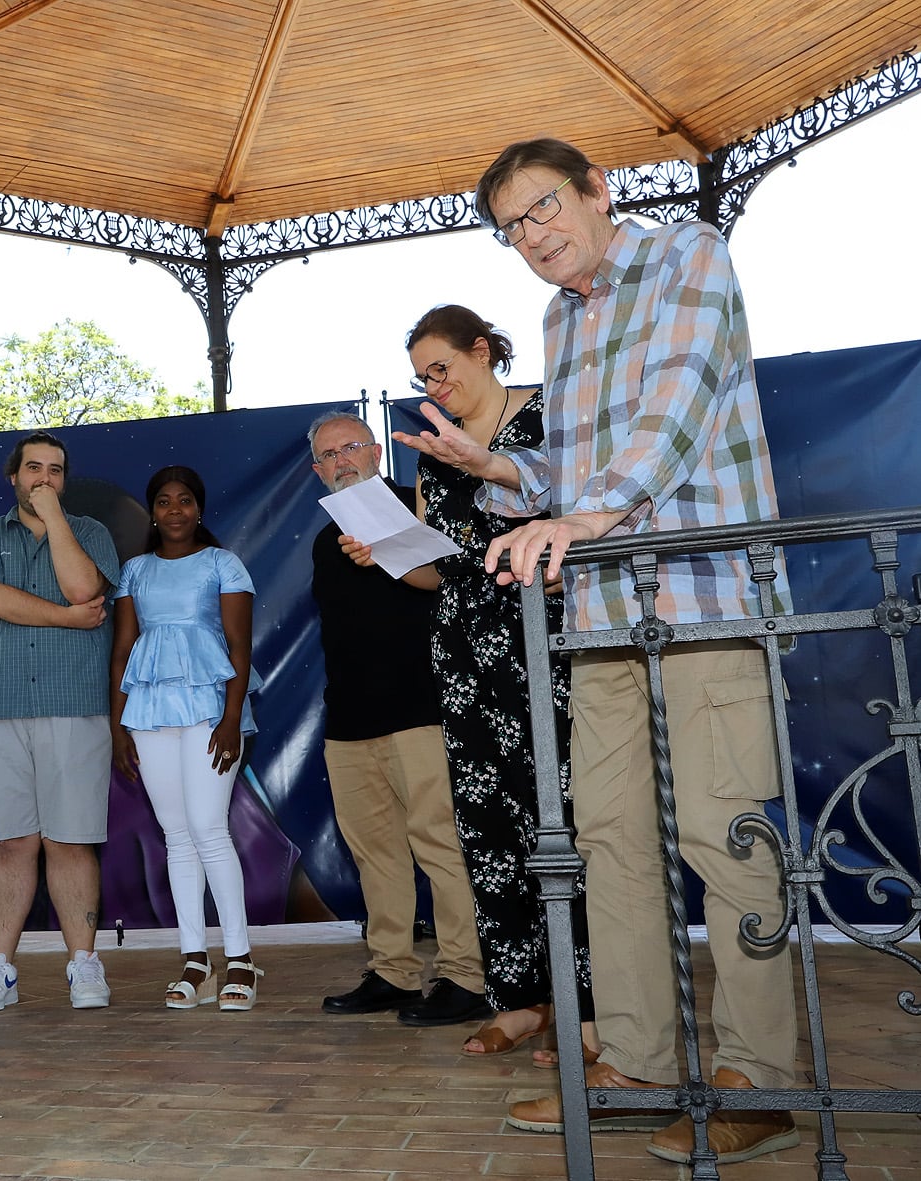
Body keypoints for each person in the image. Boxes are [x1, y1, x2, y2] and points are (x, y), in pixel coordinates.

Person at [406, 136, 797, 1164]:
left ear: (595, 190)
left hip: (705, 597)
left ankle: (760, 1079)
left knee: (727, 839)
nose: (533, 237)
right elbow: (569, 470)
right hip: (600, 617)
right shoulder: (556, 315)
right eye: (513, 227)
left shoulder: (686, 255)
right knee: (613, 845)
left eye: (544, 209)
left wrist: (584, 519)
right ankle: (635, 1065)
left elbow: (671, 415)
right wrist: (496, 463)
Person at [344, 307, 594, 1061]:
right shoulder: (432, 453)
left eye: (442, 368)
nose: (434, 386)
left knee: (571, 823)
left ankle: (594, 1007)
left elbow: (589, 520)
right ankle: (521, 999)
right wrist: (385, 552)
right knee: (489, 831)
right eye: (422, 377)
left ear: (482, 351)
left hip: (545, 643)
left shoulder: (555, 416)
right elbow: (437, 568)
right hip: (462, 653)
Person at [306, 412, 490, 1029]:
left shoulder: (418, 507)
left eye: (351, 448)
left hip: (419, 711)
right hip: (349, 722)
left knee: (439, 845)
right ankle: (392, 971)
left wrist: (389, 550)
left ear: (377, 450)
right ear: (316, 470)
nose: (341, 462)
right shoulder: (321, 539)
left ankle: (467, 976)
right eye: (328, 456)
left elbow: (450, 585)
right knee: (375, 854)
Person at [0, 430, 120, 1011]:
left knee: (70, 839)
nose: (43, 478)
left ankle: (84, 966)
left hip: (72, 704)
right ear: (13, 476)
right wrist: (68, 621)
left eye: (55, 470)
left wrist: (54, 518)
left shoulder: (91, 534)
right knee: (11, 842)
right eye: (34, 469)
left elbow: (84, 587)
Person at [109, 466, 264, 1010]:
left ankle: (240, 960)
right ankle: (195, 960)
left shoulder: (223, 564)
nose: (175, 510)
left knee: (207, 828)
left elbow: (239, 648)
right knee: (176, 834)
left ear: (198, 509)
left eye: (185, 501)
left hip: (209, 710)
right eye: (164, 502)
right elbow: (124, 649)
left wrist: (230, 718)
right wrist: (117, 727)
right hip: (148, 713)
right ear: (153, 511)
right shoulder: (134, 571)